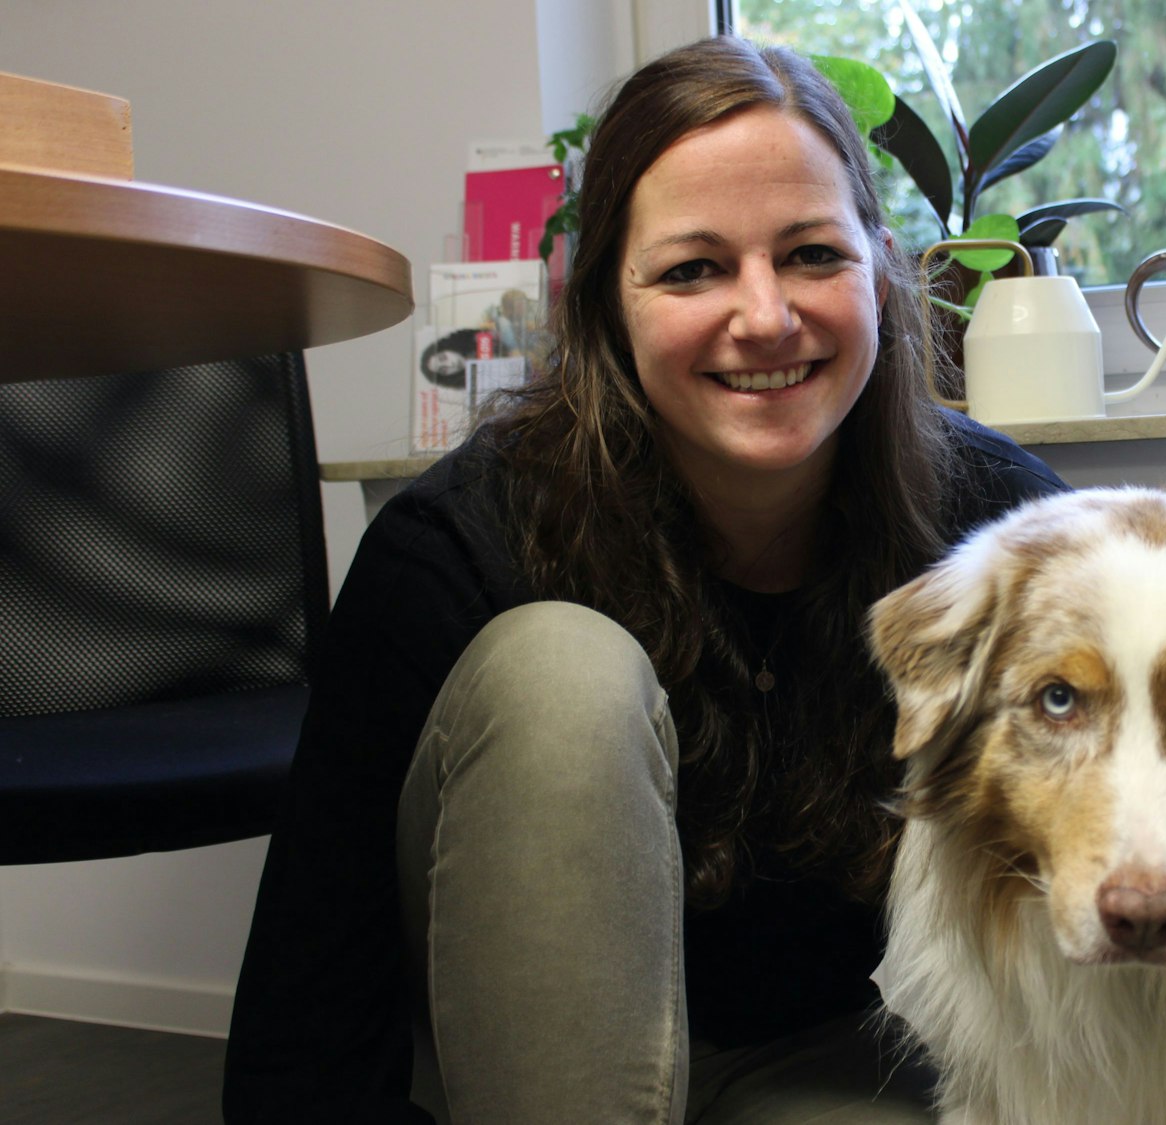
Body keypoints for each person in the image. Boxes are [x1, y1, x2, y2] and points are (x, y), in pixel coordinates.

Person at [223, 35, 1066, 1125]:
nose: (765, 317)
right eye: (691, 269)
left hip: (827, 1066)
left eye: (812, 253)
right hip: (518, 1070)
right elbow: (303, 1034)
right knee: (560, 669)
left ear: (880, 261)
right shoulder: (454, 552)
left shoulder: (999, 531)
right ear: (603, 304)